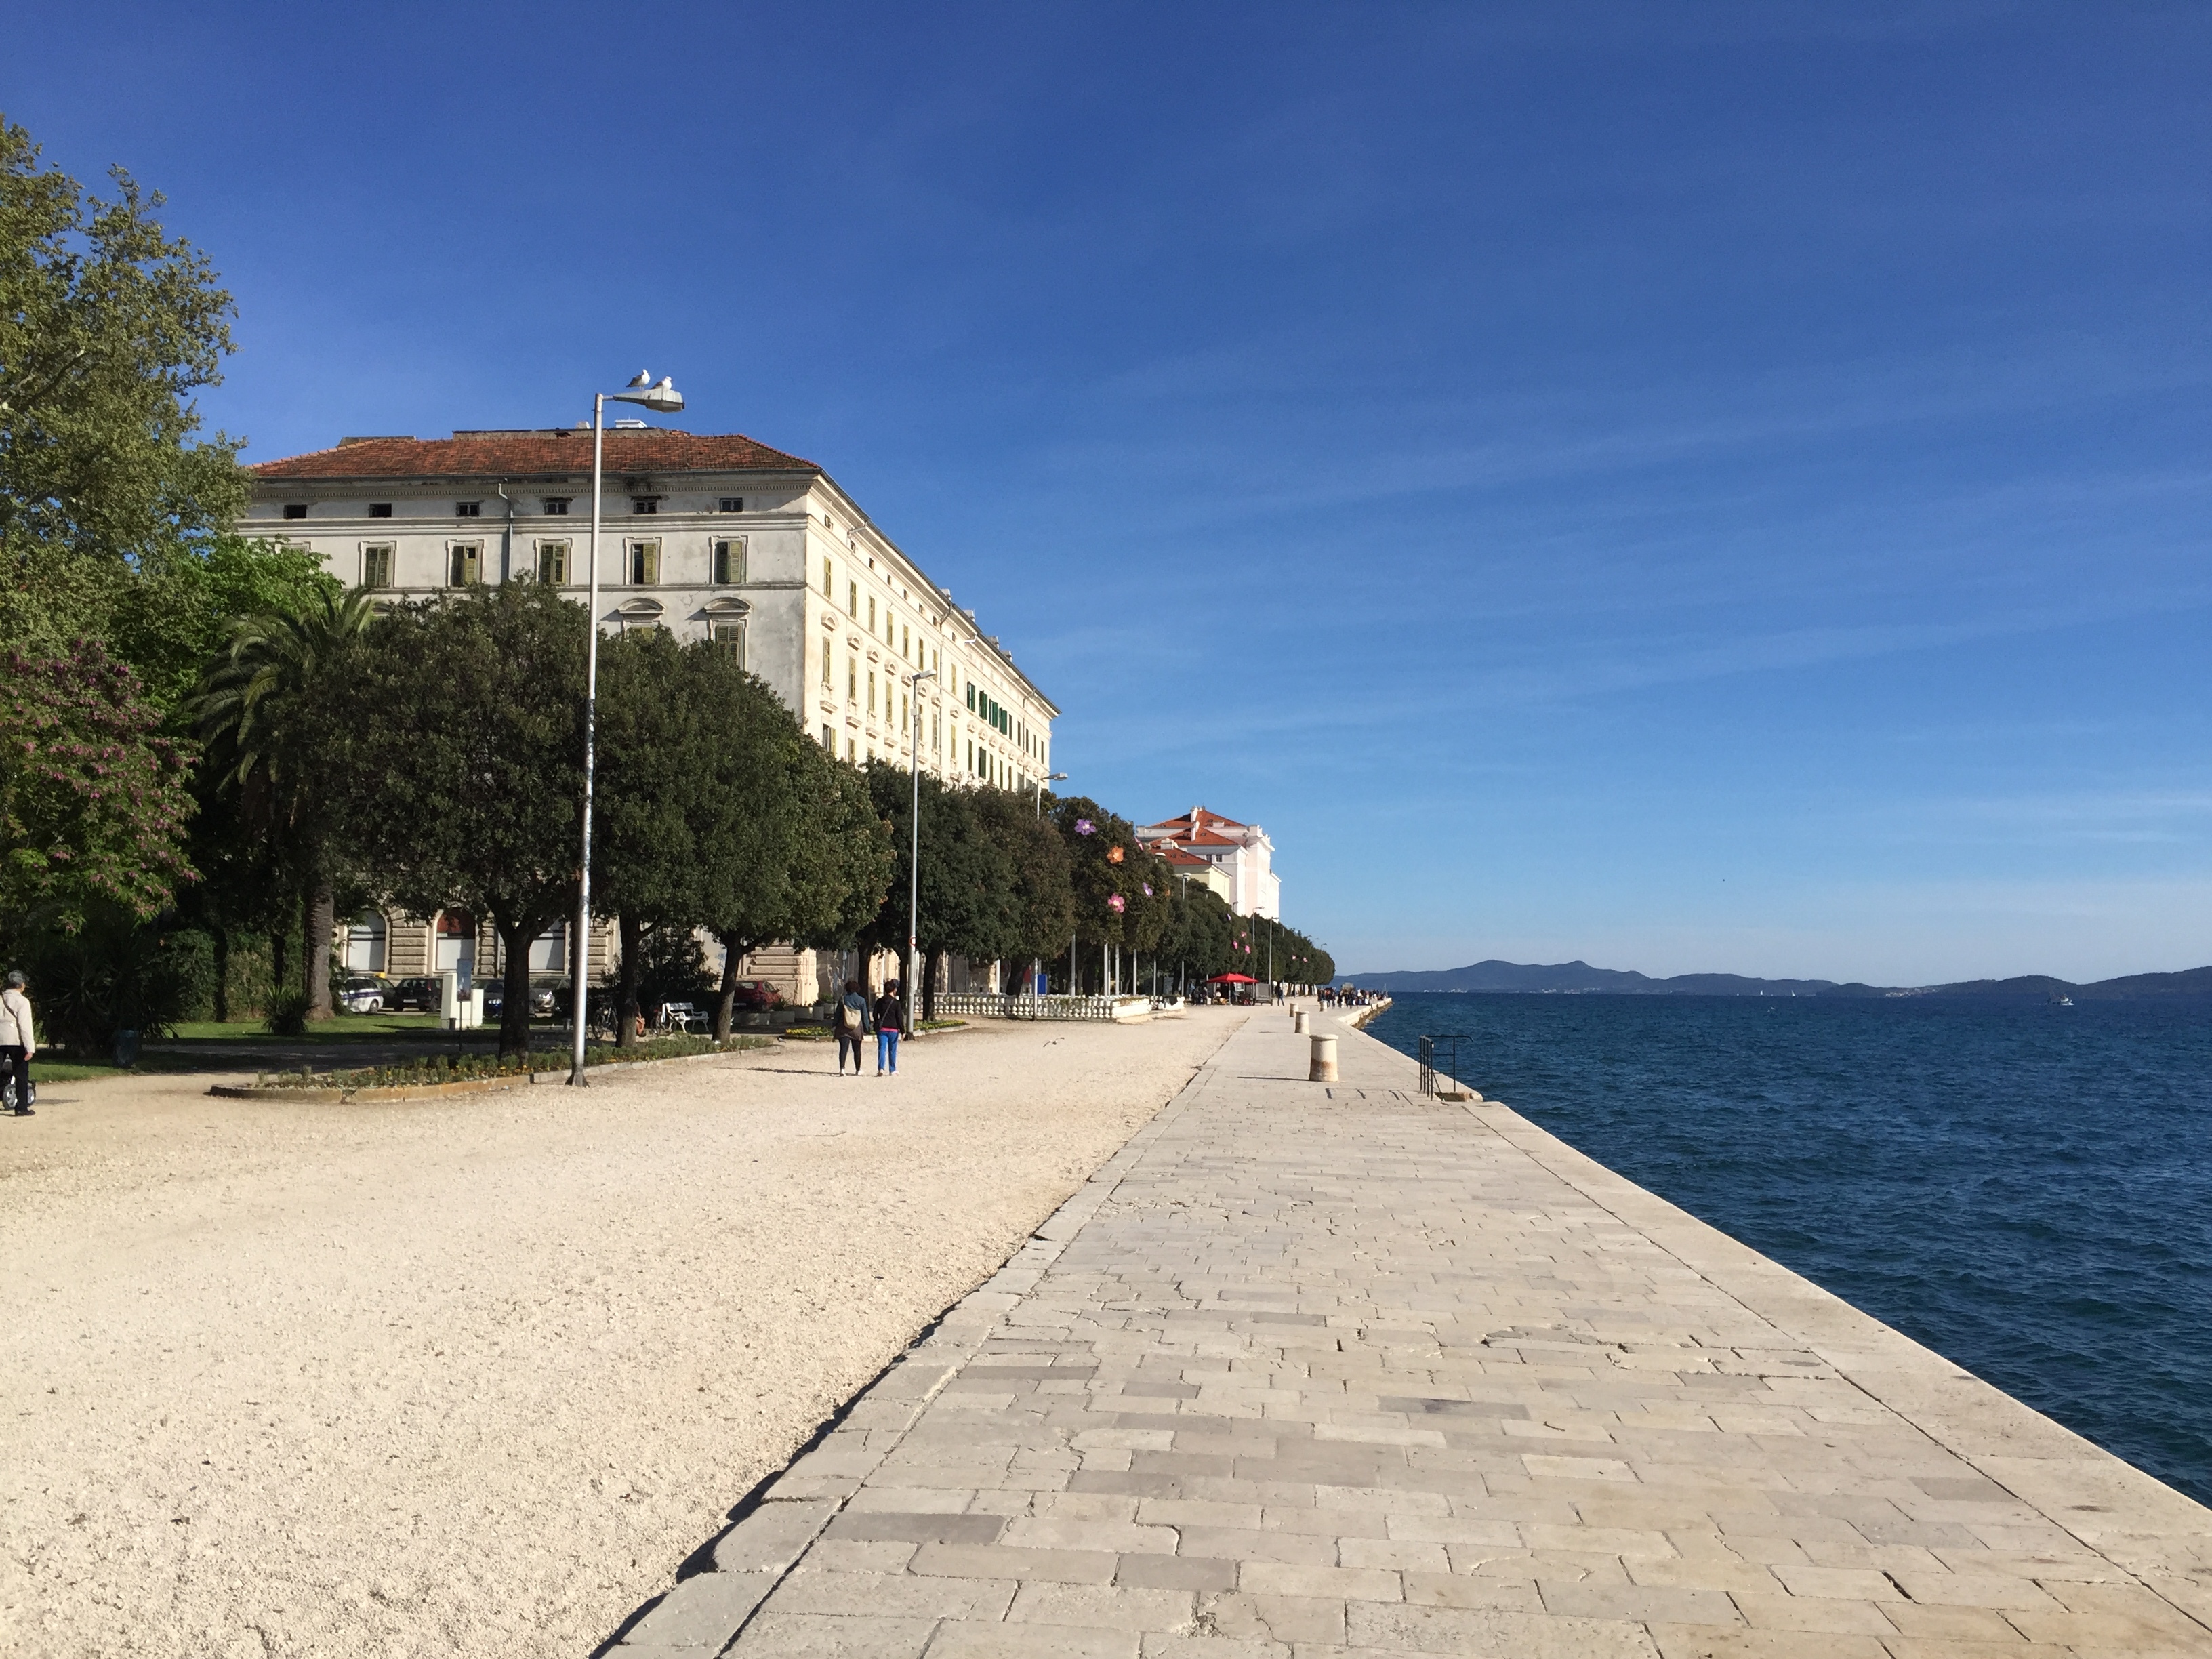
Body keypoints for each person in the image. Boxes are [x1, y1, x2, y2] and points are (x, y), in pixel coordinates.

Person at [1, 969, 35, 1117]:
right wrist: (30, 1048)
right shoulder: (22, 1002)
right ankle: (21, 1107)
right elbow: (25, 1026)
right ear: (21, 985)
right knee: (21, 1074)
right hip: (16, 1041)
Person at [835, 978, 870, 1075]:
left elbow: (838, 1014)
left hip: (844, 1026)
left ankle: (842, 1068)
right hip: (856, 1027)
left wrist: (834, 1024)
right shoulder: (861, 1000)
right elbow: (865, 1016)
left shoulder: (843, 999)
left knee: (843, 1049)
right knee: (857, 1049)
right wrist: (868, 1027)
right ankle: (858, 1069)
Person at [873, 981, 905, 1076]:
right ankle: (892, 1069)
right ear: (894, 990)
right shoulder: (896, 1003)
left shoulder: (879, 1001)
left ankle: (881, 1069)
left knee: (882, 1048)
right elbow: (899, 1017)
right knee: (892, 1050)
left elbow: (875, 1014)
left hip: (882, 1029)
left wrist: (878, 1021)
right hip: (893, 1029)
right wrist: (903, 1030)